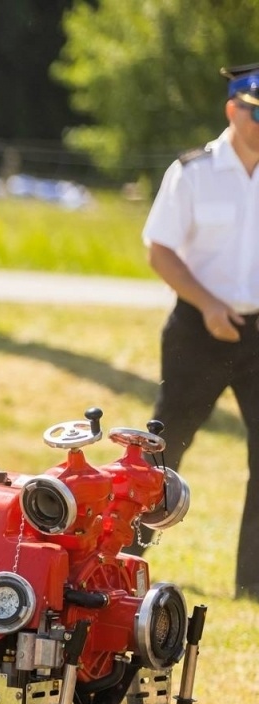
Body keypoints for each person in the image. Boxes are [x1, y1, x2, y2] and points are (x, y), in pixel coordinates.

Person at [140, 63, 259, 597]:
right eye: (257, 115)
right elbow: (159, 250)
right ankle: (125, 561)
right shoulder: (192, 172)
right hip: (198, 327)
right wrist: (208, 304)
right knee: (164, 449)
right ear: (233, 110)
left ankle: (254, 584)